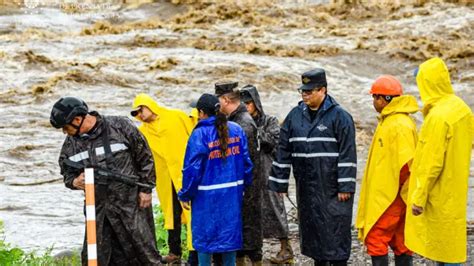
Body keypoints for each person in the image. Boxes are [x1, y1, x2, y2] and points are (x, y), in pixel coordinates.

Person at [50, 96, 161, 265]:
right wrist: (74, 181)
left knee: (144, 252)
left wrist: (146, 189)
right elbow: (66, 172)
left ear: (78, 119)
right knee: (95, 257)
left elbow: (145, 157)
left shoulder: (120, 127)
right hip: (98, 209)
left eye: (65, 127)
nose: (65, 132)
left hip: (130, 204)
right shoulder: (71, 145)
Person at [268, 68, 357, 266]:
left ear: (323, 90)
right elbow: (283, 150)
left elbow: (348, 154)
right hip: (307, 188)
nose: (305, 95)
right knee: (314, 232)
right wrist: (279, 183)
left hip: (333, 189)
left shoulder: (340, 117)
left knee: (335, 233)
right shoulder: (294, 117)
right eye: (303, 91)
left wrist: (346, 186)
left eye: (309, 91)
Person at [405, 57, 473, 265]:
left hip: (437, 193)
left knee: (439, 247)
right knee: (451, 243)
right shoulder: (462, 109)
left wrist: (418, 197)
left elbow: (430, 163)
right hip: (456, 190)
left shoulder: (437, 117)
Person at [178, 93, 253, 266]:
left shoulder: (199, 135)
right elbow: (247, 164)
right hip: (231, 195)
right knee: (229, 237)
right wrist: (242, 188)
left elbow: (192, 170)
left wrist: (185, 194)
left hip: (206, 197)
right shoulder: (236, 129)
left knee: (204, 240)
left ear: (202, 112)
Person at [355, 75, 418, 266]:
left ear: (385, 99)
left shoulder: (397, 125)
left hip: (391, 195)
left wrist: (399, 195)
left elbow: (407, 165)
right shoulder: (395, 121)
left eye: (375, 97)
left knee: (376, 237)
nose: (373, 101)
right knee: (401, 240)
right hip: (396, 194)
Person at [131, 93, 197, 264]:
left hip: (186, 174)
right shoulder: (142, 132)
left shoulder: (176, 116)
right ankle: (174, 252)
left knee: (192, 213)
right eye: (135, 113)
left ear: (149, 105)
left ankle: (194, 252)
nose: (140, 114)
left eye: (141, 109)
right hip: (164, 179)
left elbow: (196, 129)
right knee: (171, 214)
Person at [239, 85, 293, 264]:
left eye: (249, 103)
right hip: (248, 172)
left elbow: (273, 141)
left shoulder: (269, 121)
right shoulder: (238, 123)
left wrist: (254, 130)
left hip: (267, 171)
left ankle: (286, 248)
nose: (246, 106)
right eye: (243, 103)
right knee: (249, 212)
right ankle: (249, 250)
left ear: (256, 103)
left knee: (275, 208)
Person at [215, 81, 263, 265]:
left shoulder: (242, 124)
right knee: (244, 233)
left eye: (219, 101)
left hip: (245, 186)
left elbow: (244, 162)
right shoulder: (238, 119)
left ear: (226, 100)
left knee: (248, 232)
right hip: (244, 185)